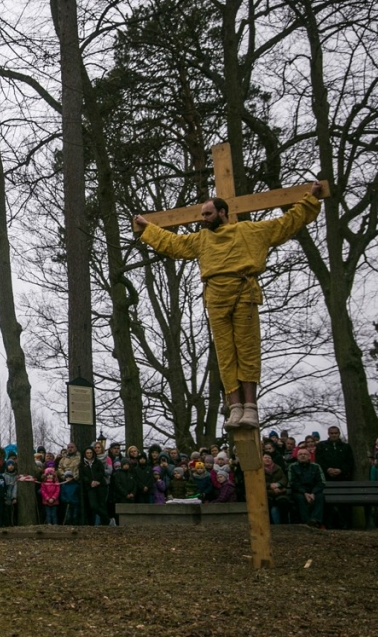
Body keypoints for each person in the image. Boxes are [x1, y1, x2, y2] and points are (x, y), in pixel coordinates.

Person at [133, 179, 323, 429]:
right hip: (216, 298)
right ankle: (234, 407)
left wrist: (311, 198)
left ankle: (250, 408)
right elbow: (173, 244)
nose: (203, 218)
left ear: (222, 213)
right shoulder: (201, 239)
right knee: (225, 355)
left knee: (247, 351)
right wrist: (148, 227)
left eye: (208, 214)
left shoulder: (249, 231)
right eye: (202, 214)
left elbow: (286, 224)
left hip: (243, 293)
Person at [315, 426, 355, 529]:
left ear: (338, 434)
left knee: (344, 503)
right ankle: (328, 524)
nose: (334, 435)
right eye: (331, 433)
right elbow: (319, 461)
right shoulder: (321, 446)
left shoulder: (346, 447)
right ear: (328, 434)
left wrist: (341, 470)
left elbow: (350, 462)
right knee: (327, 503)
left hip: (342, 479)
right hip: (327, 479)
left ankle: (345, 524)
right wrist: (327, 469)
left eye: (335, 433)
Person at [288, 448, 326, 527]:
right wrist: (304, 493)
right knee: (300, 498)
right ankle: (307, 522)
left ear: (309, 457)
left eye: (305, 454)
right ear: (297, 457)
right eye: (300, 454)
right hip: (299, 491)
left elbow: (321, 482)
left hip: (314, 490)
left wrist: (313, 493)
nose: (303, 456)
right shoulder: (292, 467)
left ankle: (315, 520)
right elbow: (293, 482)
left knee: (320, 497)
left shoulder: (316, 466)